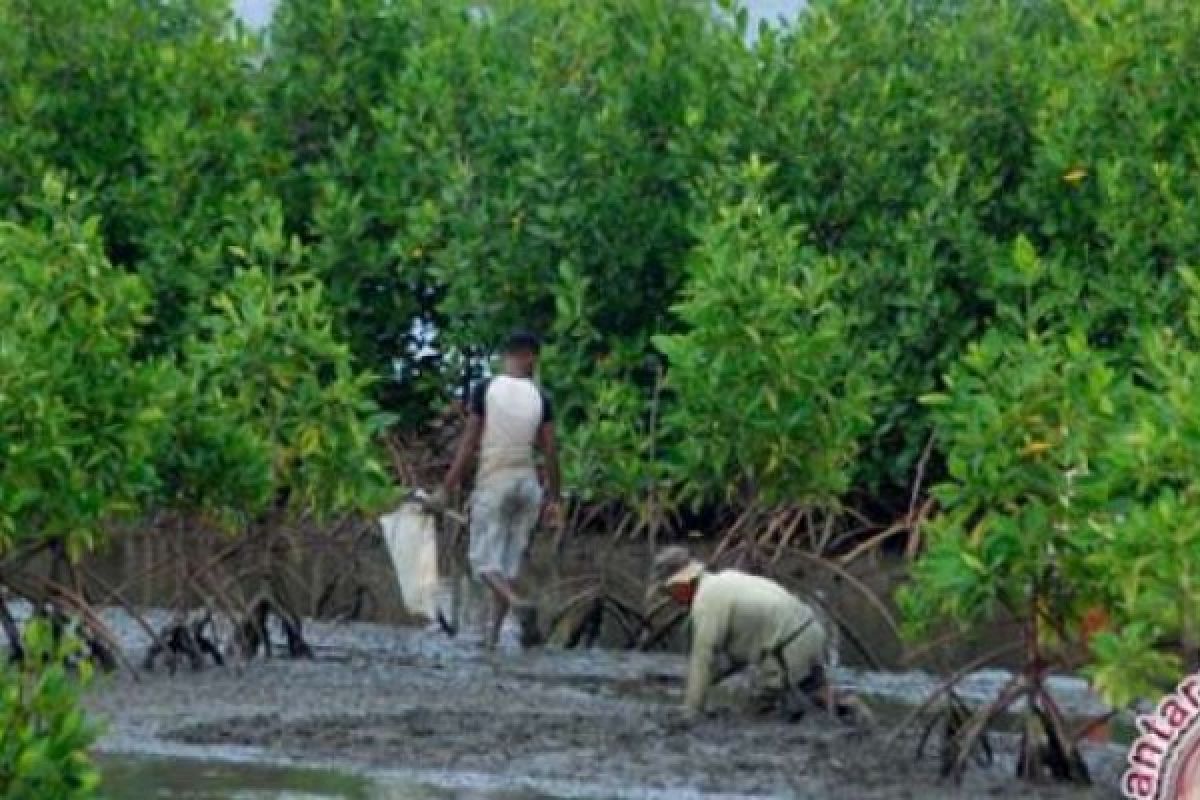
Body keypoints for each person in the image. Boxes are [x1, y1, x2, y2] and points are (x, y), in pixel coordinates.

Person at [437, 329, 561, 649]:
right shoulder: (541, 397)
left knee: (484, 564)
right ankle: (492, 640)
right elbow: (550, 453)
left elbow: (468, 445)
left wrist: (445, 490)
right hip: (528, 487)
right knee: (507, 564)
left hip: (495, 484)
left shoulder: (486, 388)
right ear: (529, 357)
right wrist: (555, 499)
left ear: (507, 356)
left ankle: (517, 604)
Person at [652, 546, 868, 725]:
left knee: (753, 715)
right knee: (811, 691)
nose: (671, 599)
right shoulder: (724, 581)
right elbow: (735, 658)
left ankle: (841, 713)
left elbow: (703, 659)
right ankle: (851, 711)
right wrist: (707, 679)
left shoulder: (706, 602)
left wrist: (690, 713)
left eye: (668, 592)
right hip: (808, 631)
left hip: (787, 646)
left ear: (681, 584)